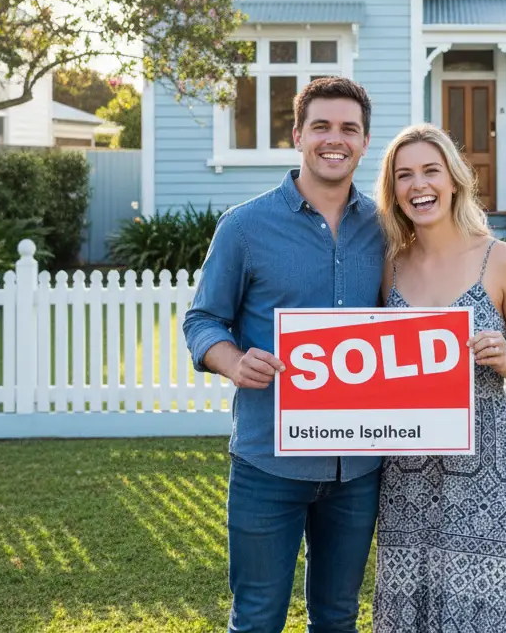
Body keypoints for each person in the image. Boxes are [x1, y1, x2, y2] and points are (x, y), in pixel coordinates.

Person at [183, 76, 384, 633]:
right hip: (267, 460)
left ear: (365, 142)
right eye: (321, 126)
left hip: (358, 465)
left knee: (339, 618)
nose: (334, 139)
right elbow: (202, 319)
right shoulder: (245, 227)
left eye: (349, 128)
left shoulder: (385, 228)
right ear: (297, 134)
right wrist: (231, 360)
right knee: (257, 619)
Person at [372, 122, 506, 632]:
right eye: (404, 175)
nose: (418, 184)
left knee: (484, 611)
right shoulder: (390, 268)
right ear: (394, 191)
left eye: (430, 170)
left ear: (453, 180)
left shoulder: (501, 259)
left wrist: (503, 357)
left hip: (486, 467)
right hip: (407, 471)